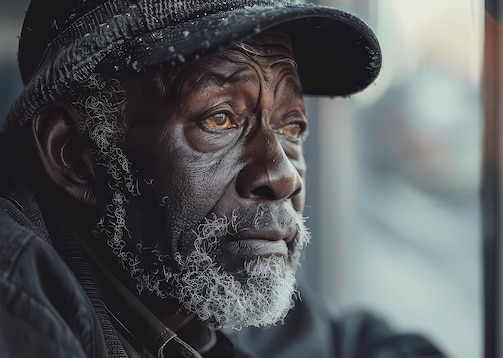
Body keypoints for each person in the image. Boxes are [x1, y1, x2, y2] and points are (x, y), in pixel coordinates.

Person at [0, 0, 444, 357]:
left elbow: (354, 342)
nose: (283, 175)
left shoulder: (195, 280)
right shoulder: (19, 307)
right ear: (75, 155)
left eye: (291, 127)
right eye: (221, 118)